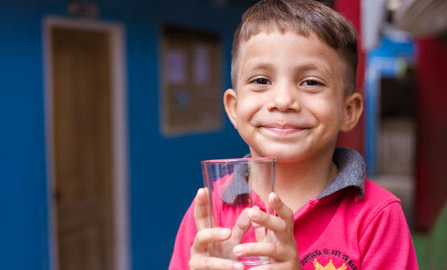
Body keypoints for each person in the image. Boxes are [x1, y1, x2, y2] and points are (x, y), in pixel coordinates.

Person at [169, 0, 418, 269]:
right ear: (234, 108)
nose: (284, 100)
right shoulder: (208, 213)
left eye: (311, 82)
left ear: (349, 110)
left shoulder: (377, 216)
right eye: (261, 80)